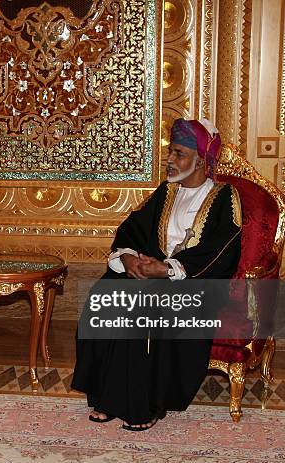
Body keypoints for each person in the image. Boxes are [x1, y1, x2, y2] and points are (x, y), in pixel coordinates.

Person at [72, 118, 242, 430]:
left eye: (179, 153)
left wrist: (168, 270)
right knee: (105, 294)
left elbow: (225, 245)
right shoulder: (166, 192)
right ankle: (108, 396)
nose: (170, 159)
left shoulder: (224, 196)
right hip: (154, 274)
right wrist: (128, 259)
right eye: (170, 152)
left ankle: (144, 404)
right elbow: (132, 230)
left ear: (202, 161)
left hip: (194, 282)